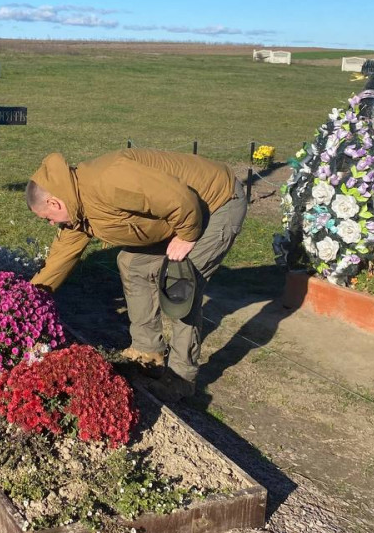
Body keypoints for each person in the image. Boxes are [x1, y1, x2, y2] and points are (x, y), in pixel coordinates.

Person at [25, 148, 247, 401]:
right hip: (180, 213)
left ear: (54, 203)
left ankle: (180, 377)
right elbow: (59, 259)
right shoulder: (77, 207)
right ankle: (147, 351)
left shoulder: (109, 180)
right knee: (133, 264)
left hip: (215, 204)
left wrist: (187, 236)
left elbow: (178, 198)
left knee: (181, 286)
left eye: (47, 218)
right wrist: (29, 300)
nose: (52, 223)